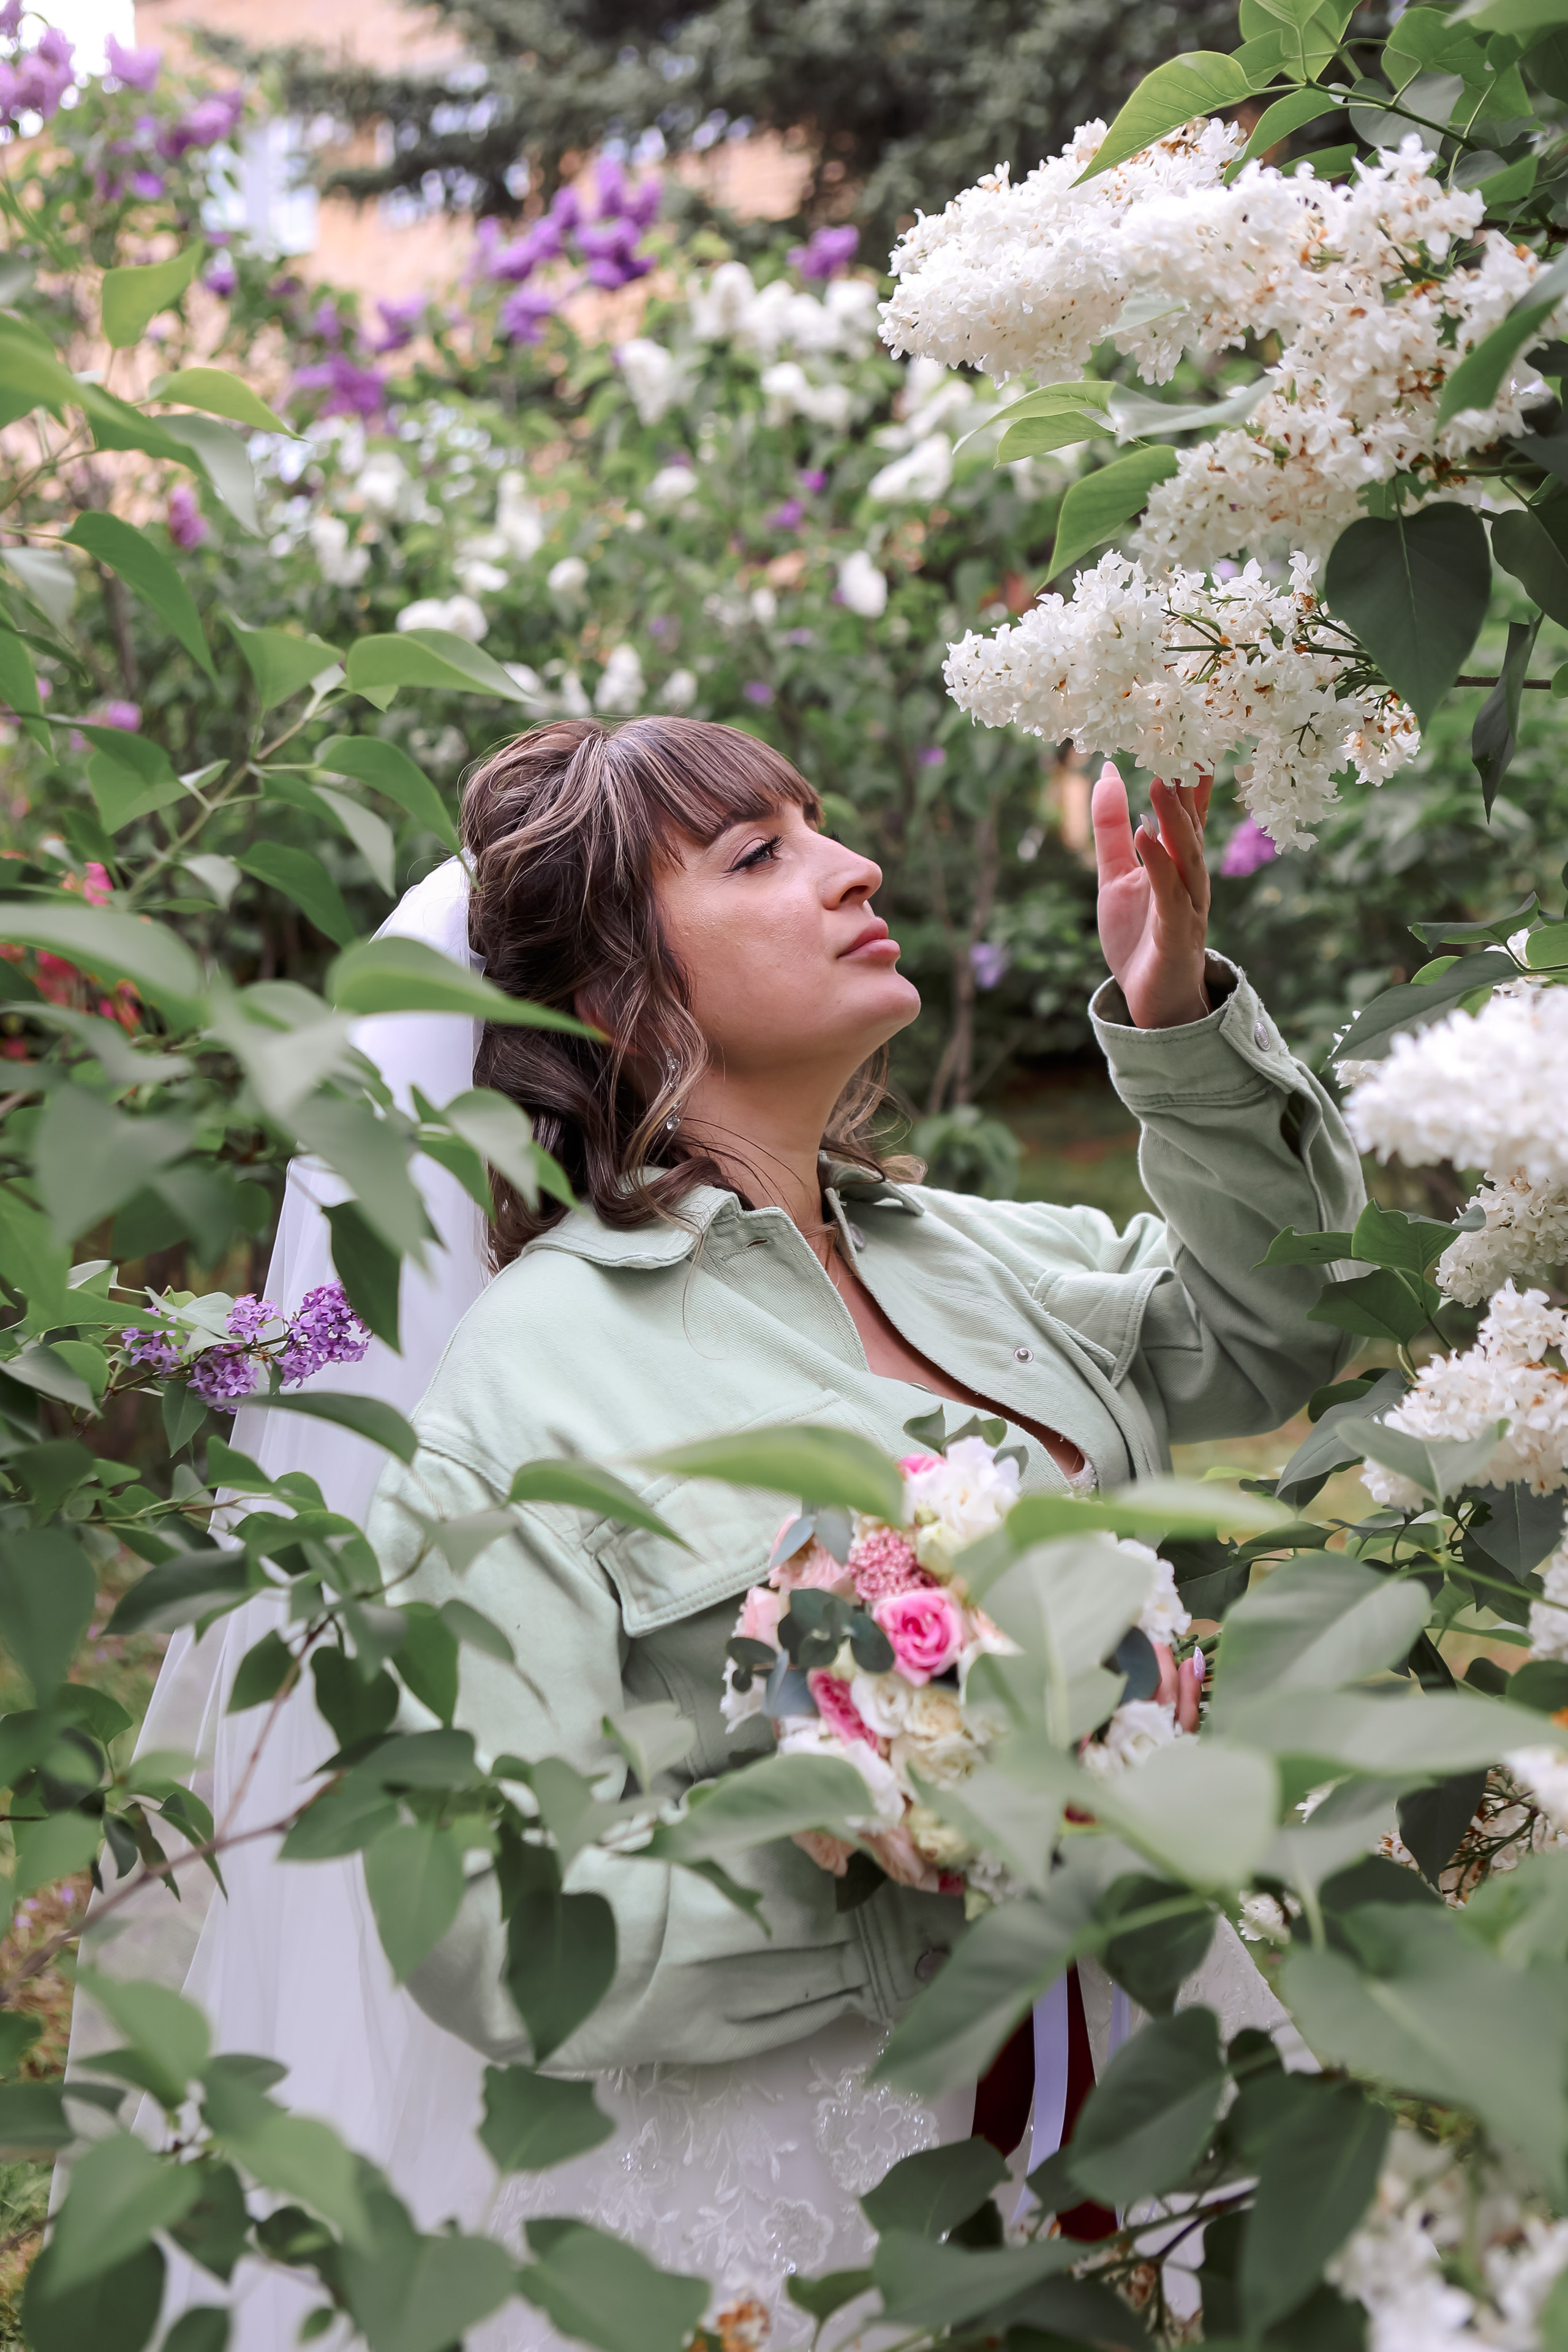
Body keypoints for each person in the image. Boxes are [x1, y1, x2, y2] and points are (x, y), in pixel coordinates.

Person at [104, 714, 1360, 2350]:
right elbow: (494, 1927)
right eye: (759, 857)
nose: (853, 870)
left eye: (823, 829)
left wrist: (1177, 1010)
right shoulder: (533, 1380)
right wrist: (917, 1851)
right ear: (617, 994)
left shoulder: (974, 1256)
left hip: (1162, 2070)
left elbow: (1272, 1335)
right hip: (819, 2193)